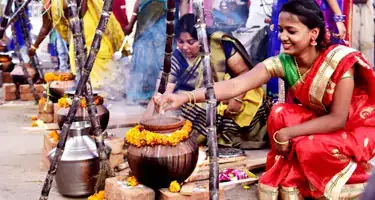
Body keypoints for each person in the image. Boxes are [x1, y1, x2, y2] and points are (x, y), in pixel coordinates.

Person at [154, 0, 375, 199]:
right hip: (320, 120)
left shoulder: (340, 62)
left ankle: (350, 175)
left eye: (291, 31)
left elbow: (338, 119)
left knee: (308, 146)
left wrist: (289, 133)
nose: (282, 37)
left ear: (313, 34)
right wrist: (184, 97)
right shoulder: (286, 62)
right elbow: (235, 85)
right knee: (279, 113)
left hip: (354, 127)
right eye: (280, 30)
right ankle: (299, 170)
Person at [147, 14, 270, 149]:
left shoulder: (220, 45)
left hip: (233, 92)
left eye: (191, 41)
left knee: (253, 105)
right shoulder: (176, 58)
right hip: (201, 99)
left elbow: (244, 74)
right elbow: (160, 93)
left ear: (202, 38)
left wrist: (237, 98)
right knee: (188, 111)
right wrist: (145, 126)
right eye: (180, 42)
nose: (185, 47)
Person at [28, 0, 124, 88]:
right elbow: (46, 26)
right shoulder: (48, 4)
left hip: (93, 35)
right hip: (77, 38)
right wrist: (34, 46)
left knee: (100, 77)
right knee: (83, 76)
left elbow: (81, 13)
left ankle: (103, 99)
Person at [124, 0, 189, 103]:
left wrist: (184, 26)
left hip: (167, 25)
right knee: (143, 58)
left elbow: (184, 3)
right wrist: (131, 23)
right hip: (145, 25)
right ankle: (140, 95)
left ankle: (163, 94)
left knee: (163, 60)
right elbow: (138, 2)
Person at [352, 0, 374, 67]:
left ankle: (368, 72)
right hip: (350, 7)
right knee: (352, 43)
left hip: (366, 6)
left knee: (367, 41)